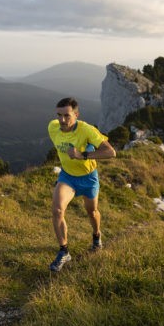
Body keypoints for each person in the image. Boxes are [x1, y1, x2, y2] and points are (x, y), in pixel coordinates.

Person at [48, 97, 116, 272]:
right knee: (57, 210)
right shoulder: (52, 127)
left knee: (92, 212)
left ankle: (96, 236)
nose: (62, 120)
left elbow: (110, 152)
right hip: (67, 177)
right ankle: (64, 251)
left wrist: (83, 155)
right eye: (59, 115)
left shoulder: (87, 130)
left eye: (67, 116)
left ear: (76, 115)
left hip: (88, 178)